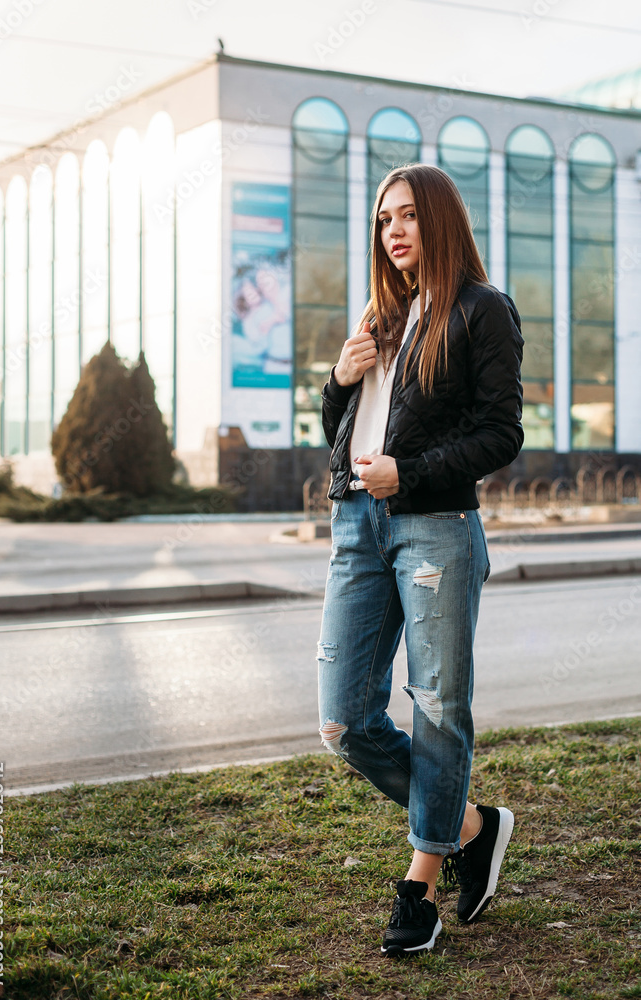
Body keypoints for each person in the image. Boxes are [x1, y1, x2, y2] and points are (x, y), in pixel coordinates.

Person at [317, 163, 523, 957]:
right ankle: (474, 825)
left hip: (435, 526)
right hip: (355, 528)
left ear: (438, 220)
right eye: (382, 219)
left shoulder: (481, 310)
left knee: (437, 708)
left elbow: (499, 434)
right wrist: (338, 379)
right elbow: (344, 427)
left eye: (406, 216)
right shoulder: (381, 314)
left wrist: (412, 470)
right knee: (343, 722)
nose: (393, 230)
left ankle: (420, 887)